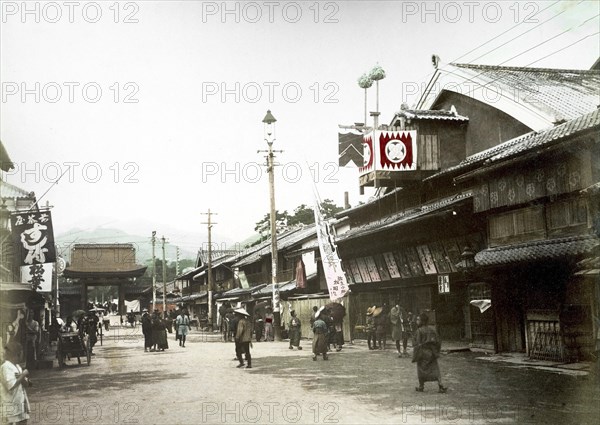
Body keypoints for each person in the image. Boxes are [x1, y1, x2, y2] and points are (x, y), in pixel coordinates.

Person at [412, 313, 447, 393]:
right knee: (435, 369)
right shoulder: (432, 330)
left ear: (422, 321)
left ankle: (421, 386)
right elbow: (438, 341)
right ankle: (440, 385)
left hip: (422, 353)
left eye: (418, 320)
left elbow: (417, 343)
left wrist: (416, 354)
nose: (417, 321)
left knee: (421, 370)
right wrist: (436, 351)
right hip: (431, 353)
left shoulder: (419, 331)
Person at [1, 341, 31, 425]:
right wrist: (23, 375)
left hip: (20, 403)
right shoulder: (6, 367)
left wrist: (23, 378)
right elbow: (11, 385)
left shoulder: (17, 366)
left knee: (23, 421)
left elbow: (27, 384)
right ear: (16, 354)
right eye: (21, 353)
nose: (22, 355)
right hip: (10, 404)